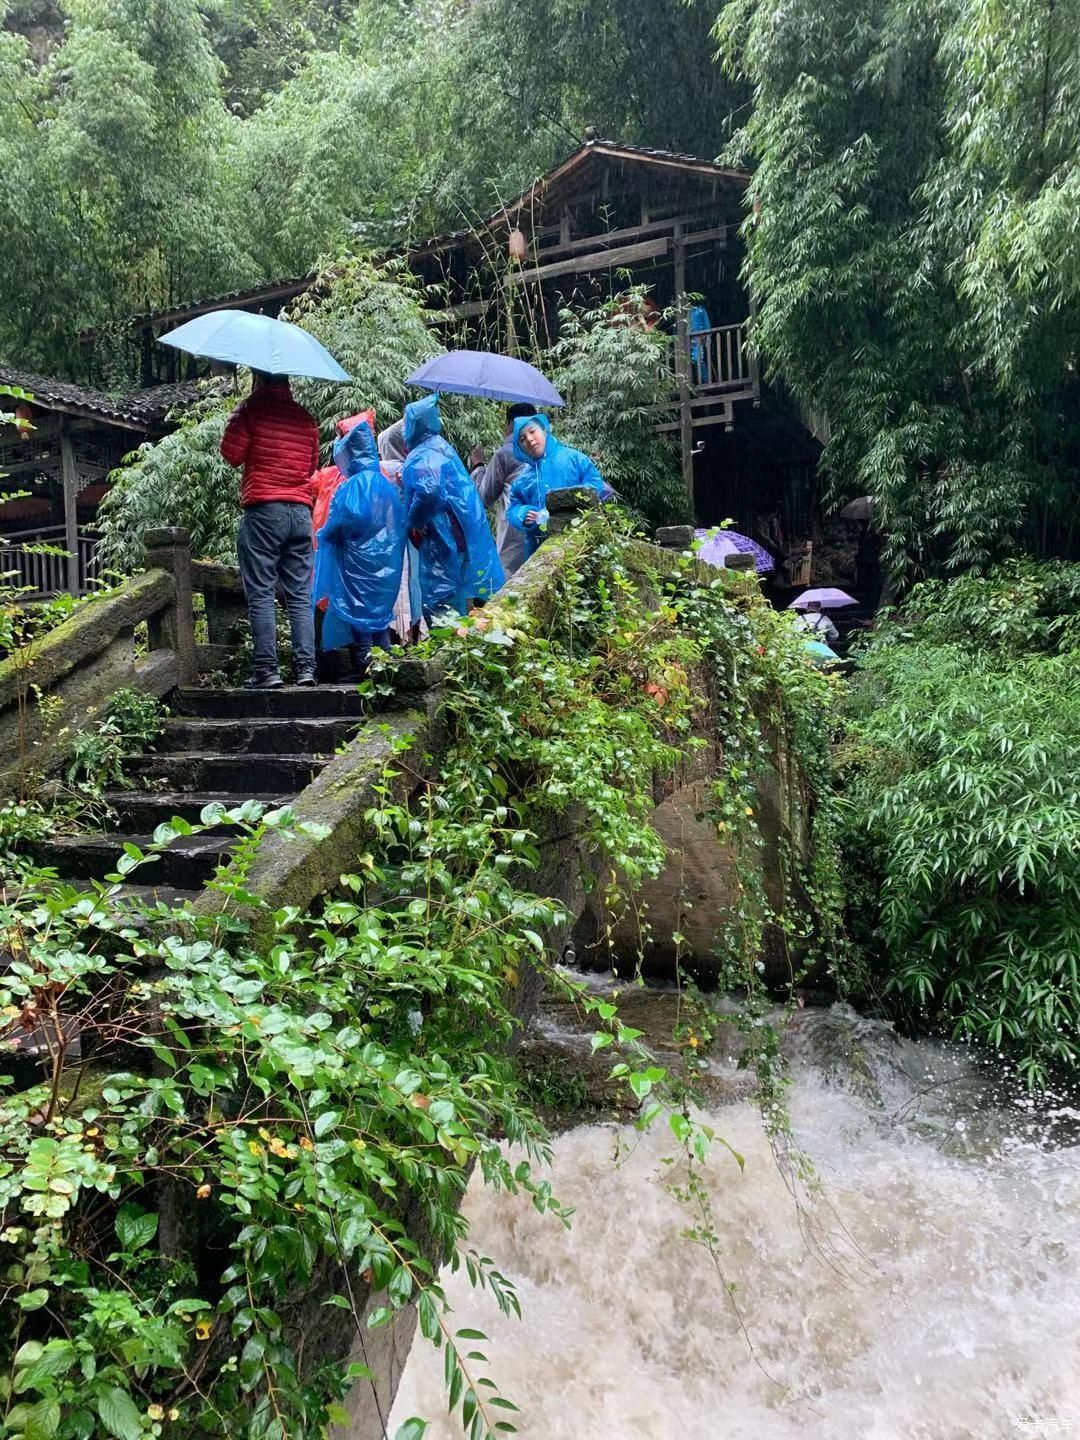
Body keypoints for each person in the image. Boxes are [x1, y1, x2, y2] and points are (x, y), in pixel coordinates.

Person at [220, 370, 320, 688]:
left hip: (264, 510)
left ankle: (267, 670)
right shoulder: (306, 418)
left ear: (258, 378)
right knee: (300, 595)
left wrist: (237, 415)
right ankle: (306, 669)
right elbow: (310, 467)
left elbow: (231, 455)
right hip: (301, 512)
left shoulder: (252, 409)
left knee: (261, 592)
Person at [313, 418, 406, 680]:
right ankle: (387, 662)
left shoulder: (354, 484)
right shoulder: (382, 480)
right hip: (383, 560)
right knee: (376, 614)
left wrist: (326, 533)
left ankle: (365, 665)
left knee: (359, 612)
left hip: (356, 560)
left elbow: (347, 518)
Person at [401, 394, 504, 621]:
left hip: (444, 535)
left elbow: (430, 491)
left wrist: (415, 520)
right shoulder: (440, 447)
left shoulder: (424, 453)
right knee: (457, 595)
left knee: (442, 602)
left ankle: (449, 650)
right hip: (459, 533)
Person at [506, 414, 607, 560]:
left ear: (544, 430)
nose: (529, 439)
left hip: (580, 539)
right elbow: (513, 508)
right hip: (538, 547)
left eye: (532, 431)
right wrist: (524, 514)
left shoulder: (574, 459)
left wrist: (567, 507)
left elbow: (594, 484)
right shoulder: (521, 480)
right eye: (522, 439)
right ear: (519, 447)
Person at [467, 401, 536, 578]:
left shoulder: (505, 453)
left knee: (511, 582)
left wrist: (479, 465)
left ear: (511, 424)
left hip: (513, 534)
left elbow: (484, 498)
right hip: (539, 526)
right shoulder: (545, 450)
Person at [377, 419, 423, 642]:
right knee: (412, 583)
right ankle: (413, 633)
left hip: (382, 541)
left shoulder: (376, 471)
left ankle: (391, 635)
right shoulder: (408, 470)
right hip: (410, 538)